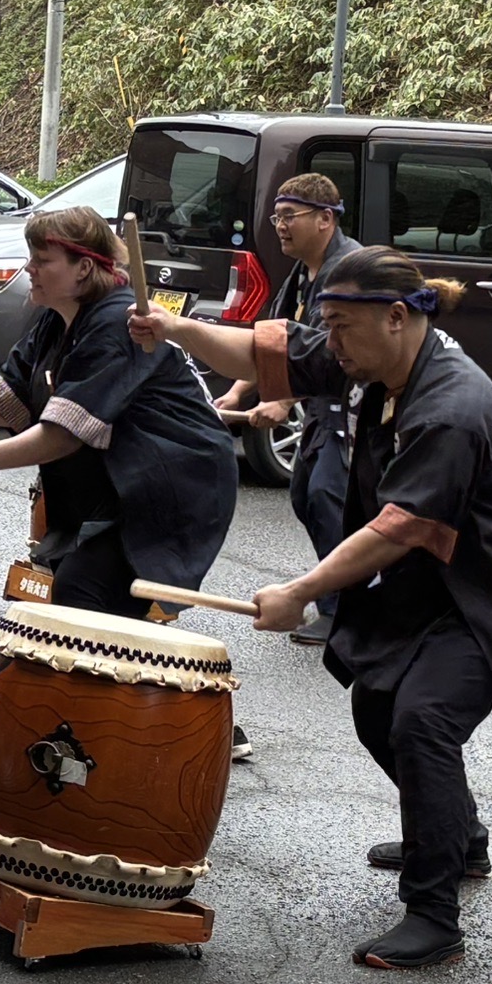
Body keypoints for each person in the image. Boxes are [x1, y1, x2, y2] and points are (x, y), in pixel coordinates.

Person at [131, 246, 492, 970]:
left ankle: (433, 916)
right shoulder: (367, 356)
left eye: (340, 327)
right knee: (377, 709)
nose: (331, 343)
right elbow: (259, 346)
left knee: (422, 720)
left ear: (397, 318)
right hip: (419, 586)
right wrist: (175, 329)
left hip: (485, 598)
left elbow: (398, 526)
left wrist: (302, 592)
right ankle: (457, 837)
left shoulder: (452, 407)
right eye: (328, 327)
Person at [0, 203, 238, 616]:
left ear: (83, 268)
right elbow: (8, 399)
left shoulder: (118, 325)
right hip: (116, 479)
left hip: (171, 481)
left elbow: (63, 435)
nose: (29, 268)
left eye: (42, 260)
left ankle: (113, 680)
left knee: (85, 591)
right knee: (76, 585)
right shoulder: (55, 318)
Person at [215, 173, 360, 646]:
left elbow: (328, 355)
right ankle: (350, 599)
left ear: (325, 219)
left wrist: (280, 400)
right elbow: (274, 341)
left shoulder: (348, 272)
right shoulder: (303, 273)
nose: (280, 226)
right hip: (322, 410)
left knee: (327, 499)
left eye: (289, 216)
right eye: (276, 216)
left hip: (354, 410)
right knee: (306, 496)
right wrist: (238, 394)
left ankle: (343, 610)